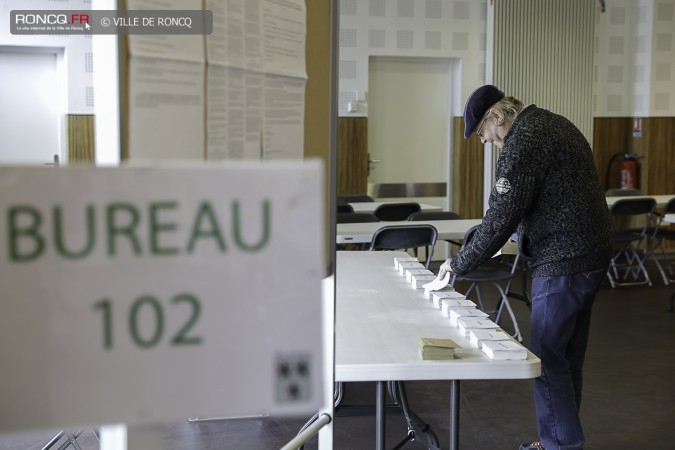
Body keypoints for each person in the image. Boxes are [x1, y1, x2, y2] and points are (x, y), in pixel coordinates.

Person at [437, 85, 612, 450]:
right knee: (564, 359)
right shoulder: (552, 122)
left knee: (546, 359)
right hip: (591, 257)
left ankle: (560, 445)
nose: (484, 142)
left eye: (482, 133)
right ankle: (560, 440)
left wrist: (456, 266)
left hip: (563, 262)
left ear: (497, 118)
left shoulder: (523, 141)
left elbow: (499, 218)